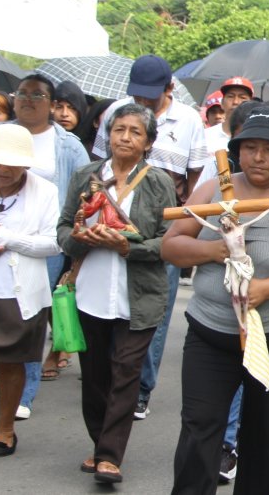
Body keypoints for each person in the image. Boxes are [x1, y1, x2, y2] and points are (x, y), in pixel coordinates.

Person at [163, 105, 269, 494]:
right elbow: (171, 245)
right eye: (250, 147)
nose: (259, 157)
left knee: (265, 436)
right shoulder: (212, 191)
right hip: (211, 332)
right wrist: (214, 251)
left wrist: (265, 289)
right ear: (236, 151)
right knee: (199, 427)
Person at [59, 103, 178, 484]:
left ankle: (110, 456)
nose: (125, 137)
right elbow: (62, 228)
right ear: (107, 134)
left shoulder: (158, 182)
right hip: (90, 292)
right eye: (118, 130)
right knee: (94, 376)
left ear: (147, 143)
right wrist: (81, 239)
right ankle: (99, 444)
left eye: (135, 132)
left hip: (139, 298)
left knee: (126, 372)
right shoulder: (86, 176)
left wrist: (130, 248)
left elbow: (169, 242)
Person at [93, 55, 208, 421]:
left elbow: (195, 177)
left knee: (154, 309)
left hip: (164, 226)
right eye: (136, 95)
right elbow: (98, 167)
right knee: (111, 305)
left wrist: (183, 223)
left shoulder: (189, 120)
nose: (142, 104)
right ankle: (113, 380)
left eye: (150, 97)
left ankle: (141, 388)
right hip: (112, 221)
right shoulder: (117, 111)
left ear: (169, 89)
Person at [0, 126, 60, 457]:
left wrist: (8, 238)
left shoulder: (45, 192)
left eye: (12, 164)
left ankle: (5, 429)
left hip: (18, 294)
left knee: (11, 364)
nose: (3, 170)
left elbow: (53, 243)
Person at [8, 74, 91, 399]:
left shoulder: (66, 145)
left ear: (52, 105)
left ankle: (22, 392)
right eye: (23, 93)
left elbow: (87, 187)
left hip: (46, 243)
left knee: (32, 315)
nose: (28, 100)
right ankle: (0, 373)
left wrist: (75, 239)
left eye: (37, 95)